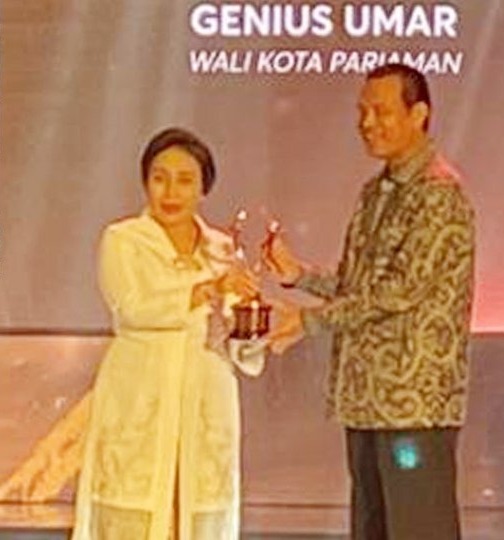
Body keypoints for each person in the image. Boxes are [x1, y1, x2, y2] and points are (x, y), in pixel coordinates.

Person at [263, 64, 475, 540]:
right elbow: (360, 283)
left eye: (381, 111)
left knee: (418, 529)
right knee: (371, 528)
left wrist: (310, 321)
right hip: (366, 399)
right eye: (362, 111)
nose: (367, 123)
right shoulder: (375, 191)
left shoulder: (439, 194)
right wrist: (300, 276)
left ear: (418, 114)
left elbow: (400, 290)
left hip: (413, 405)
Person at [71, 127, 258, 540]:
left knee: (198, 509)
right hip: (142, 392)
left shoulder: (223, 249)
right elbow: (133, 307)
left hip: (204, 399)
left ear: (203, 189)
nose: (171, 192)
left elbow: (242, 345)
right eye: (160, 178)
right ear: (145, 182)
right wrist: (205, 289)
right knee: (133, 510)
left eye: (185, 180)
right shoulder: (123, 240)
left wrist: (251, 320)